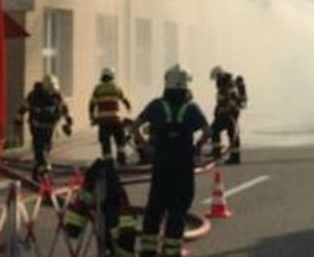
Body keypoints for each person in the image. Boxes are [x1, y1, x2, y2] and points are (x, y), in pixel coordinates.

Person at [133, 64, 210, 257]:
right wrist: (197, 147)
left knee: (155, 208)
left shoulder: (156, 105)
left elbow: (135, 126)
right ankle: (171, 251)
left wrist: (146, 147)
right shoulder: (191, 108)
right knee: (177, 210)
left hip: (161, 165)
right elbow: (207, 131)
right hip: (183, 167)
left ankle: (148, 250)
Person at [17, 74, 72, 179]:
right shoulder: (35, 95)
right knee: (39, 148)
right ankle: (43, 168)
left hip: (49, 128)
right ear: (45, 87)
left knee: (47, 147)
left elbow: (64, 109)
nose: (52, 92)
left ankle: (38, 169)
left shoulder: (57, 96)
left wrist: (68, 123)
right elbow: (24, 107)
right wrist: (18, 119)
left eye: (53, 90)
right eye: (50, 90)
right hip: (37, 127)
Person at [89, 67, 131, 165]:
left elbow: (92, 104)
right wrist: (128, 108)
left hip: (103, 122)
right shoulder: (116, 87)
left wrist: (92, 116)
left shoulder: (98, 89)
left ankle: (109, 164)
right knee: (120, 142)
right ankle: (122, 161)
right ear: (112, 76)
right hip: (116, 120)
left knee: (105, 143)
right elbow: (124, 99)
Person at [209, 65, 245, 164]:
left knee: (214, 130)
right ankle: (234, 157)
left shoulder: (227, 85)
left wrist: (225, 109)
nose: (216, 81)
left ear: (220, 76)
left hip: (228, 114)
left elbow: (232, 100)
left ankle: (217, 153)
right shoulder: (226, 84)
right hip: (229, 113)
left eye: (216, 78)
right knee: (232, 133)